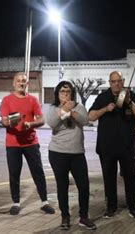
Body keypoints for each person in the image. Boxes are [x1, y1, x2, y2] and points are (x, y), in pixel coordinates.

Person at [88, 71, 135, 221]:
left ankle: (134, 208)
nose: (117, 84)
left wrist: (129, 102)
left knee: (131, 178)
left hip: (127, 147)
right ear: (109, 82)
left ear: (123, 81)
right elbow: (91, 116)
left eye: (119, 81)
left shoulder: (131, 95)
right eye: (113, 81)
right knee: (109, 178)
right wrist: (105, 109)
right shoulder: (103, 97)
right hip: (106, 147)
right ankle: (111, 207)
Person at [0, 72, 55, 215]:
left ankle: (44, 202)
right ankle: (16, 203)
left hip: (31, 142)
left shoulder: (33, 100)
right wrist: (10, 122)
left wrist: (29, 124)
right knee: (14, 174)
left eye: (23, 81)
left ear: (27, 84)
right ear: (13, 83)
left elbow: (42, 120)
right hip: (13, 144)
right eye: (18, 81)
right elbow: (4, 121)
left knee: (38, 172)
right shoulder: (6, 100)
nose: (21, 83)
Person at [46, 81, 96, 230]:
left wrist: (72, 111)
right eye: (62, 91)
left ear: (72, 93)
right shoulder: (53, 108)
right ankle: (65, 217)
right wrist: (62, 110)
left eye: (68, 91)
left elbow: (86, 120)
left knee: (84, 186)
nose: (65, 94)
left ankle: (84, 217)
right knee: (62, 186)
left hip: (77, 154)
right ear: (57, 93)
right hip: (57, 153)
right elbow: (52, 123)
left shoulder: (79, 107)